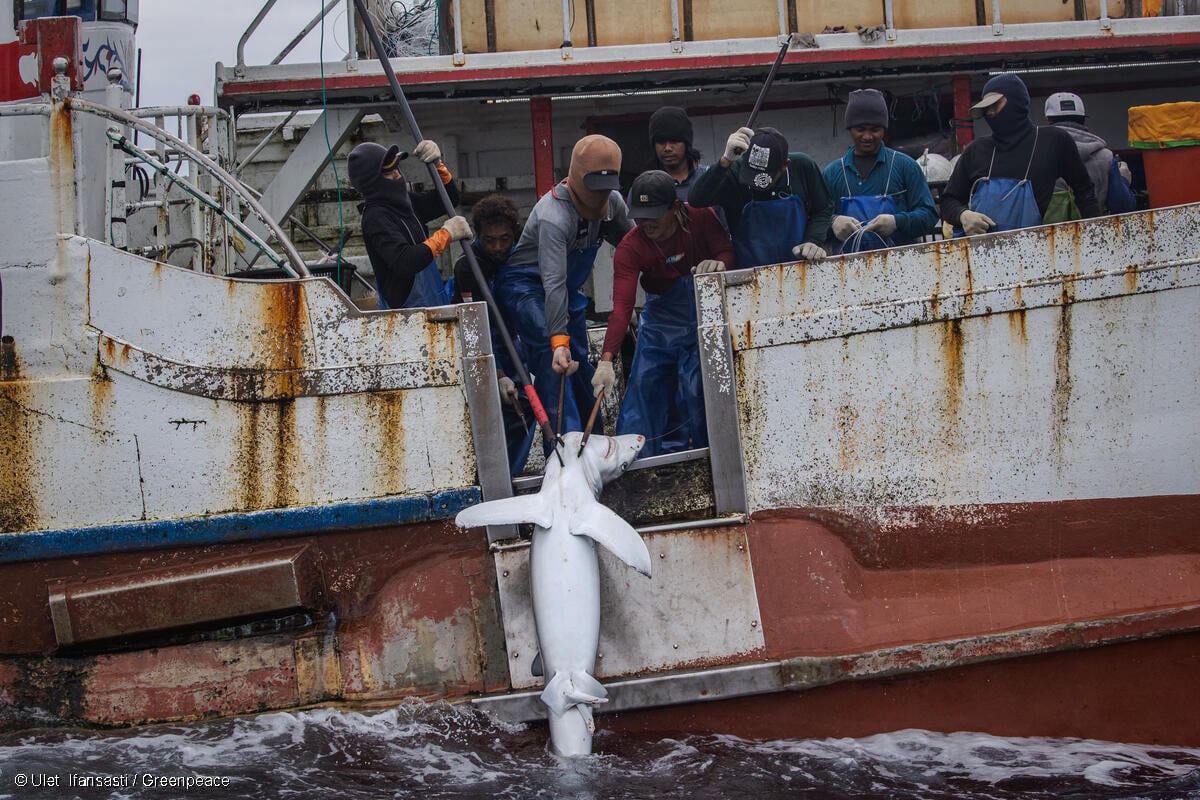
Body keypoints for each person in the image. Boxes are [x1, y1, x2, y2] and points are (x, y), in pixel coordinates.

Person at [494, 134, 634, 438]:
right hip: (528, 286)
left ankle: (592, 439)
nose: (600, 198)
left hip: (567, 290)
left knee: (579, 360)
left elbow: (636, 246)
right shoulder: (553, 217)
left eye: (607, 190)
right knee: (553, 359)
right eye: (595, 189)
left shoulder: (613, 204)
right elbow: (552, 281)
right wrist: (559, 340)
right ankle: (563, 447)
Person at [590, 171, 735, 457]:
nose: (646, 223)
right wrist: (606, 360)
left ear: (675, 207)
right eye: (640, 216)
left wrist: (719, 264)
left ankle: (717, 460)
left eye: (654, 214)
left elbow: (726, 251)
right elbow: (622, 307)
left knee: (700, 391)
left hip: (703, 316)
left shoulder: (701, 219)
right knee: (645, 389)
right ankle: (637, 465)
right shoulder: (631, 247)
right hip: (660, 322)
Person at [940, 73, 1100, 237]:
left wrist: (1096, 237)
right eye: (986, 108)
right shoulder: (975, 151)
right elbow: (948, 201)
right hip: (981, 253)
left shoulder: (1054, 142)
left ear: (1017, 101)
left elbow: (1085, 193)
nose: (990, 113)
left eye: (995, 105)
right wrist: (963, 215)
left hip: (1033, 253)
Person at [451, 193, 534, 472]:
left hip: (516, 345)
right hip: (481, 348)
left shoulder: (522, 258)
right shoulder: (468, 268)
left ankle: (512, 473)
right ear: (478, 235)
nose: (498, 247)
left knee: (526, 409)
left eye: (504, 239)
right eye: (489, 240)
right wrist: (497, 374)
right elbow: (471, 329)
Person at [348, 139, 470, 308]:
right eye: (388, 173)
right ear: (373, 183)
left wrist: (438, 165)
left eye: (396, 168)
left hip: (434, 305)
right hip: (407, 318)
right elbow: (405, 261)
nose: (397, 175)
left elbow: (449, 198)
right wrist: (446, 234)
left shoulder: (406, 203)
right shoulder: (375, 217)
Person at [689, 126, 833, 268]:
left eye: (765, 178)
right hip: (748, 277)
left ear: (785, 165)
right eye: (751, 174)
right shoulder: (734, 172)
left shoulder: (803, 167)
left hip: (800, 270)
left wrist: (812, 241)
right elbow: (696, 200)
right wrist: (724, 162)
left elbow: (824, 208)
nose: (757, 185)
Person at [822, 88, 940, 252]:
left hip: (901, 268)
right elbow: (814, 221)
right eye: (860, 129)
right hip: (848, 271)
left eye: (875, 129)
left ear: (884, 129)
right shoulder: (833, 173)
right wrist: (833, 222)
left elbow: (929, 215)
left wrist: (897, 222)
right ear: (849, 128)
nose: (868, 136)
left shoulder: (905, 166)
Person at [1043, 91, 1136, 218]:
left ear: (1048, 120)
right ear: (1083, 120)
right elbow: (1123, 207)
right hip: (1093, 234)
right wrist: (1124, 180)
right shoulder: (1106, 157)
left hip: (1049, 235)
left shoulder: (1035, 155)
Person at [645, 106, 708, 200]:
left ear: (686, 143)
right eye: (661, 142)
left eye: (674, 141)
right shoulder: (643, 188)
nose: (667, 148)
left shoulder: (709, 181)